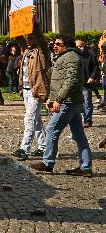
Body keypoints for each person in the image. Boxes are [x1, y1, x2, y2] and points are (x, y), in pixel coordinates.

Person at [29, 35, 92, 177]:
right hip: (71, 101)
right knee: (79, 135)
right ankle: (86, 167)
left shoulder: (71, 56)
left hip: (68, 102)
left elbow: (71, 80)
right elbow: (59, 81)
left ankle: (47, 163)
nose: (55, 46)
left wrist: (58, 99)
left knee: (51, 130)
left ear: (67, 45)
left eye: (58, 44)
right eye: (54, 44)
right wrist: (51, 98)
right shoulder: (65, 56)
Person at [11, 9, 50, 161]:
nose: (28, 39)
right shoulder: (27, 51)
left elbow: (40, 37)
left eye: (30, 37)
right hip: (26, 90)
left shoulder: (42, 52)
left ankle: (24, 149)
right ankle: (43, 146)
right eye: (27, 37)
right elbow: (17, 37)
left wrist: (34, 21)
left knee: (29, 118)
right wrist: (14, 22)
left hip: (36, 90)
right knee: (36, 119)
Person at [75, 39, 99, 128]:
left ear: (84, 46)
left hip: (86, 83)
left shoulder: (90, 55)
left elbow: (96, 68)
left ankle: (88, 120)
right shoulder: (73, 55)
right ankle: (80, 120)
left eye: (80, 47)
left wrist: (92, 77)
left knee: (87, 102)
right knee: (78, 103)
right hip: (76, 83)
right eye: (76, 47)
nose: (78, 48)